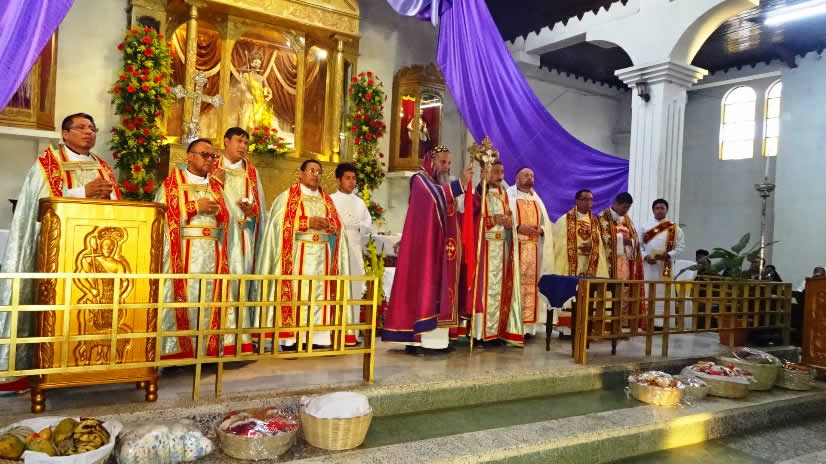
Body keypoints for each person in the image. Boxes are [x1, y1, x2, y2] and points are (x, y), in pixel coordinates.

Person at [0, 113, 120, 393]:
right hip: (57, 250)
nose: (89, 132)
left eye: (92, 128)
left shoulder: (102, 166)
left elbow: (117, 206)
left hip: (91, 252)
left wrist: (107, 197)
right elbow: (41, 204)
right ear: (65, 134)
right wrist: (84, 192)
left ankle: (85, 364)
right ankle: (40, 366)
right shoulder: (49, 162)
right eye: (81, 127)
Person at [381, 146, 472, 352]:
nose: (446, 167)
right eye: (443, 162)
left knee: (439, 290)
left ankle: (438, 342)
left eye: (449, 163)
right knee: (424, 288)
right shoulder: (419, 179)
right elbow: (433, 197)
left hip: (440, 248)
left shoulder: (438, 182)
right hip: (423, 251)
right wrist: (459, 185)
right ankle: (416, 340)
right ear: (431, 161)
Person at [256, 159, 348, 349]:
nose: (315, 175)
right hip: (297, 256)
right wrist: (306, 222)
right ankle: (291, 339)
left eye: (319, 172)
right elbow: (277, 224)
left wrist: (329, 224)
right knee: (298, 295)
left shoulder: (326, 199)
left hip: (322, 256)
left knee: (319, 297)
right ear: (301, 173)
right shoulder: (287, 197)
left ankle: (318, 338)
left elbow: (339, 226)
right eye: (311, 170)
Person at [156, 138, 231, 359]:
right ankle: (177, 352)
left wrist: (221, 213)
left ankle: (207, 351)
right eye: (205, 154)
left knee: (208, 302)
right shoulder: (172, 184)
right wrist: (194, 207)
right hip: (183, 252)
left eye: (213, 156)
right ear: (190, 156)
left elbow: (226, 220)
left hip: (213, 254)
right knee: (186, 300)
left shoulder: (216, 186)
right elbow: (161, 218)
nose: (210, 160)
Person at [211, 127, 266, 355]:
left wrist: (253, 210)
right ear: (226, 141)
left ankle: (240, 337)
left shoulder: (250, 172)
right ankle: (216, 337)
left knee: (241, 283)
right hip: (220, 237)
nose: (242, 146)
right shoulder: (212, 166)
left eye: (246, 142)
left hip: (244, 236)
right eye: (238, 141)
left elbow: (260, 207)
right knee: (221, 284)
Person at [464, 161, 524, 345]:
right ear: (486, 173)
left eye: (502, 171)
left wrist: (509, 221)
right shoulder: (478, 193)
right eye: (496, 172)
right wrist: (492, 220)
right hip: (484, 249)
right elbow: (472, 216)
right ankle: (480, 333)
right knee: (483, 292)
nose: (500, 176)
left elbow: (509, 215)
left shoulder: (503, 194)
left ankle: (496, 333)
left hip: (501, 247)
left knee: (499, 291)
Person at [506, 167, 554, 338]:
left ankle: (528, 328)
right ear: (517, 178)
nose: (530, 178)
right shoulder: (509, 196)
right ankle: (512, 326)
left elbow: (546, 224)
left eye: (532, 175)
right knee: (515, 287)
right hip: (514, 249)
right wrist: (518, 227)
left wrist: (541, 230)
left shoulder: (537, 199)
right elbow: (503, 220)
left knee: (531, 289)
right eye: (526, 175)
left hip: (534, 252)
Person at [330, 162, 373, 346]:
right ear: (338, 180)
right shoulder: (330, 200)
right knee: (335, 291)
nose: (351, 182)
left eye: (354, 178)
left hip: (354, 252)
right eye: (347, 178)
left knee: (354, 291)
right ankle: (331, 334)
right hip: (335, 251)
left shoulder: (359, 203)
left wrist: (355, 225)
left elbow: (367, 226)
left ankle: (351, 335)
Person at [598, 192, 645, 327]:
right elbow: (600, 239)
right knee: (607, 291)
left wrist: (631, 241)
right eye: (624, 207)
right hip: (608, 262)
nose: (626, 210)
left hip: (624, 262)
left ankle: (621, 322)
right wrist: (620, 239)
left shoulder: (627, 220)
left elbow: (635, 239)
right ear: (616, 203)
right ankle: (604, 322)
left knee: (624, 290)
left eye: (628, 208)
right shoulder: (601, 218)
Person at [640, 198, 685, 328]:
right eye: (657, 208)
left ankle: (662, 323)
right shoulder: (644, 227)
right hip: (648, 266)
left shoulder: (675, 228)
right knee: (647, 291)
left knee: (664, 292)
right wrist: (645, 256)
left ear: (667, 210)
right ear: (653, 210)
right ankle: (646, 321)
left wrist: (668, 255)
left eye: (662, 208)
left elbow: (680, 247)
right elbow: (639, 246)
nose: (659, 210)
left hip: (665, 266)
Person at [552, 189, 609, 277]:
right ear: (577, 201)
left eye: (591, 199)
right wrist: (577, 246)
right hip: (569, 263)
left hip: (589, 262)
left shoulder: (594, 222)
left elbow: (600, 246)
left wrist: (593, 247)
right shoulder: (564, 220)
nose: (588, 202)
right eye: (585, 199)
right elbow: (558, 244)